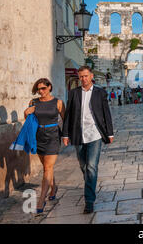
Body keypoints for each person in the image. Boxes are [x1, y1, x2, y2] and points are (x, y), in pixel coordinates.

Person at [62, 66, 114, 214]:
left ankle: (89, 200)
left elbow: (106, 113)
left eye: (86, 76)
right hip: (78, 134)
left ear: (91, 76)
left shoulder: (100, 93)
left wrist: (109, 133)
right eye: (81, 77)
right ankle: (90, 185)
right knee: (84, 166)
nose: (83, 79)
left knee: (91, 167)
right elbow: (68, 115)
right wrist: (65, 134)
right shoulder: (73, 93)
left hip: (95, 134)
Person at [24, 78, 65, 214]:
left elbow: (65, 120)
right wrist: (26, 113)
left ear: (49, 87)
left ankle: (41, 199)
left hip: (53, 136)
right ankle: (53, 188)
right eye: (38, 89)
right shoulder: (33, 102)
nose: (41, 91)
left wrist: (66, 136)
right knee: (46, 167)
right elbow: (29, 120)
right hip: (38, 136)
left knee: (48, 167)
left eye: (43, 88)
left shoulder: (58, 102)